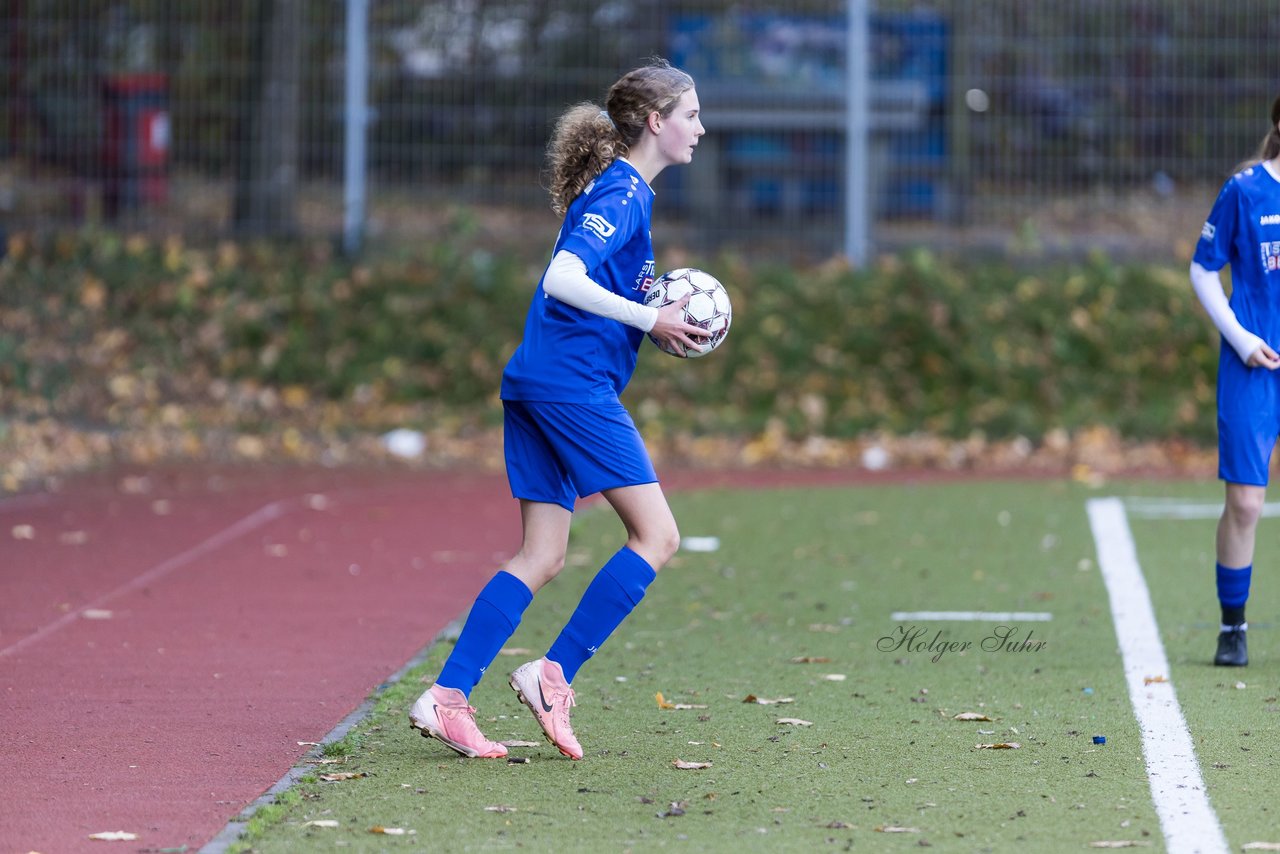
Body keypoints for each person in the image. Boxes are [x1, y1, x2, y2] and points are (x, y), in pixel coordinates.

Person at [408, 58, 709, 759]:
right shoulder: (623, 194)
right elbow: (562, 278)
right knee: (657, 537)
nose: (701, 127)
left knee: (541, 554)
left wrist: (643, 316)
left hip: (539, 381)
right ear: (657, 122)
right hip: (569, 387)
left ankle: (446, 698)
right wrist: (649, 317)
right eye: (691, 115)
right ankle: (552, 675)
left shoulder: (624, 192)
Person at [1189, 93, 1280, 668]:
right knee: (1246, 503)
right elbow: (1202, 268)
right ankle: (1233, 626)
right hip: (1255, 365)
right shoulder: (1245, 190)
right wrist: (1240, 337)